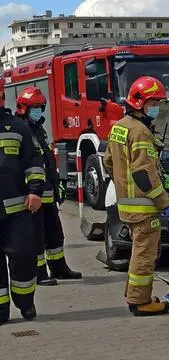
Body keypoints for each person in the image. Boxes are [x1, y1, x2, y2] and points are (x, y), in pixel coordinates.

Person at [103, 76, 169, 316]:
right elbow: (144, 174)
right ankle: (141, 302)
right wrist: (164, 202)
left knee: (137, 252)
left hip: (127, 206)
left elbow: (108, 162)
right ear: (141, 102)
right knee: (145, 255)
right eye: (154, 102)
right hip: (144, 207)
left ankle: (135, 295)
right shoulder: (141, 132)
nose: (157, 107)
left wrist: (123, 186)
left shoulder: (119, 126)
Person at [15, 86, 82, 286]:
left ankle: (59, 267)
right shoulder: (22, 129)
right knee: (37, 236)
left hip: (47, 190)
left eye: (40, 107)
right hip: (32, 194)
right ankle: (40, 272)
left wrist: (56, 183)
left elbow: (46, 159)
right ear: (23, 108)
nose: (38, 111)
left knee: (55, 232)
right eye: (34, 107)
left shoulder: (38, 129)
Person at [0, 77, 45, 323]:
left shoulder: (18, 127)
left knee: (24, 257)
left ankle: (26, 302)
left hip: (17, 210)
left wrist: (35, 191)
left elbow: (34, 162)